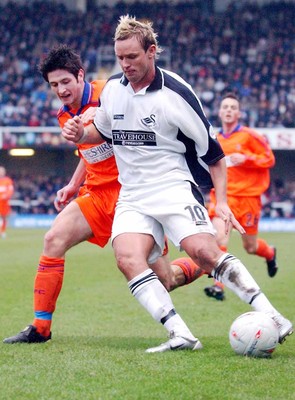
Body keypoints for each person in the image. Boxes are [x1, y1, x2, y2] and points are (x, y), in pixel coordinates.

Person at [61, 15, 293, 353]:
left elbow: (214, 155)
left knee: (204, 252)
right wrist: (82, 133)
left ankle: (273, 316)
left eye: (132, 57)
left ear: (151, 51)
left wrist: (223, 203)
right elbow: (103, 129)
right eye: (120, 57)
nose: (125, 64)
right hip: (133, 193)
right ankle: (181, 334)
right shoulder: (112, 89)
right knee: (127, 258)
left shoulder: (177, 94)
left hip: (172, 186)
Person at [3, 45, 203, 345]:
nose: (60, 90)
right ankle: (40, 328)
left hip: (133, 194)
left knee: (166, 280)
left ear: (80, 75)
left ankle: (203, 263)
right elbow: (89, 150)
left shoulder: (111, 92)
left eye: (65, 82)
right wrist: (73, 185)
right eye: (54, 85)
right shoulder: (64, 114)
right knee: (53, 239)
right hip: (97, 194)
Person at [203, 92, 277, 301]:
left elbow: (269, 159)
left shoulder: (250, 136)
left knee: (250, 247)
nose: (228, 110)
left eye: (233, 107)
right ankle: (219, 286)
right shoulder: (214, 138)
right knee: (219, 237)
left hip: (248, 198)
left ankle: (270, 253)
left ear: (239, 113)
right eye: (225, 107)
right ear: (219, 111)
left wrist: (247, 158)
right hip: (223, 196)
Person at [0, 166, 14, 238]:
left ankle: (3, 231)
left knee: (4, 217)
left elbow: (10, 190)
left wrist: (6, 196)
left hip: (4, 202)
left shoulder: (8, 180)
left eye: (2, 171)